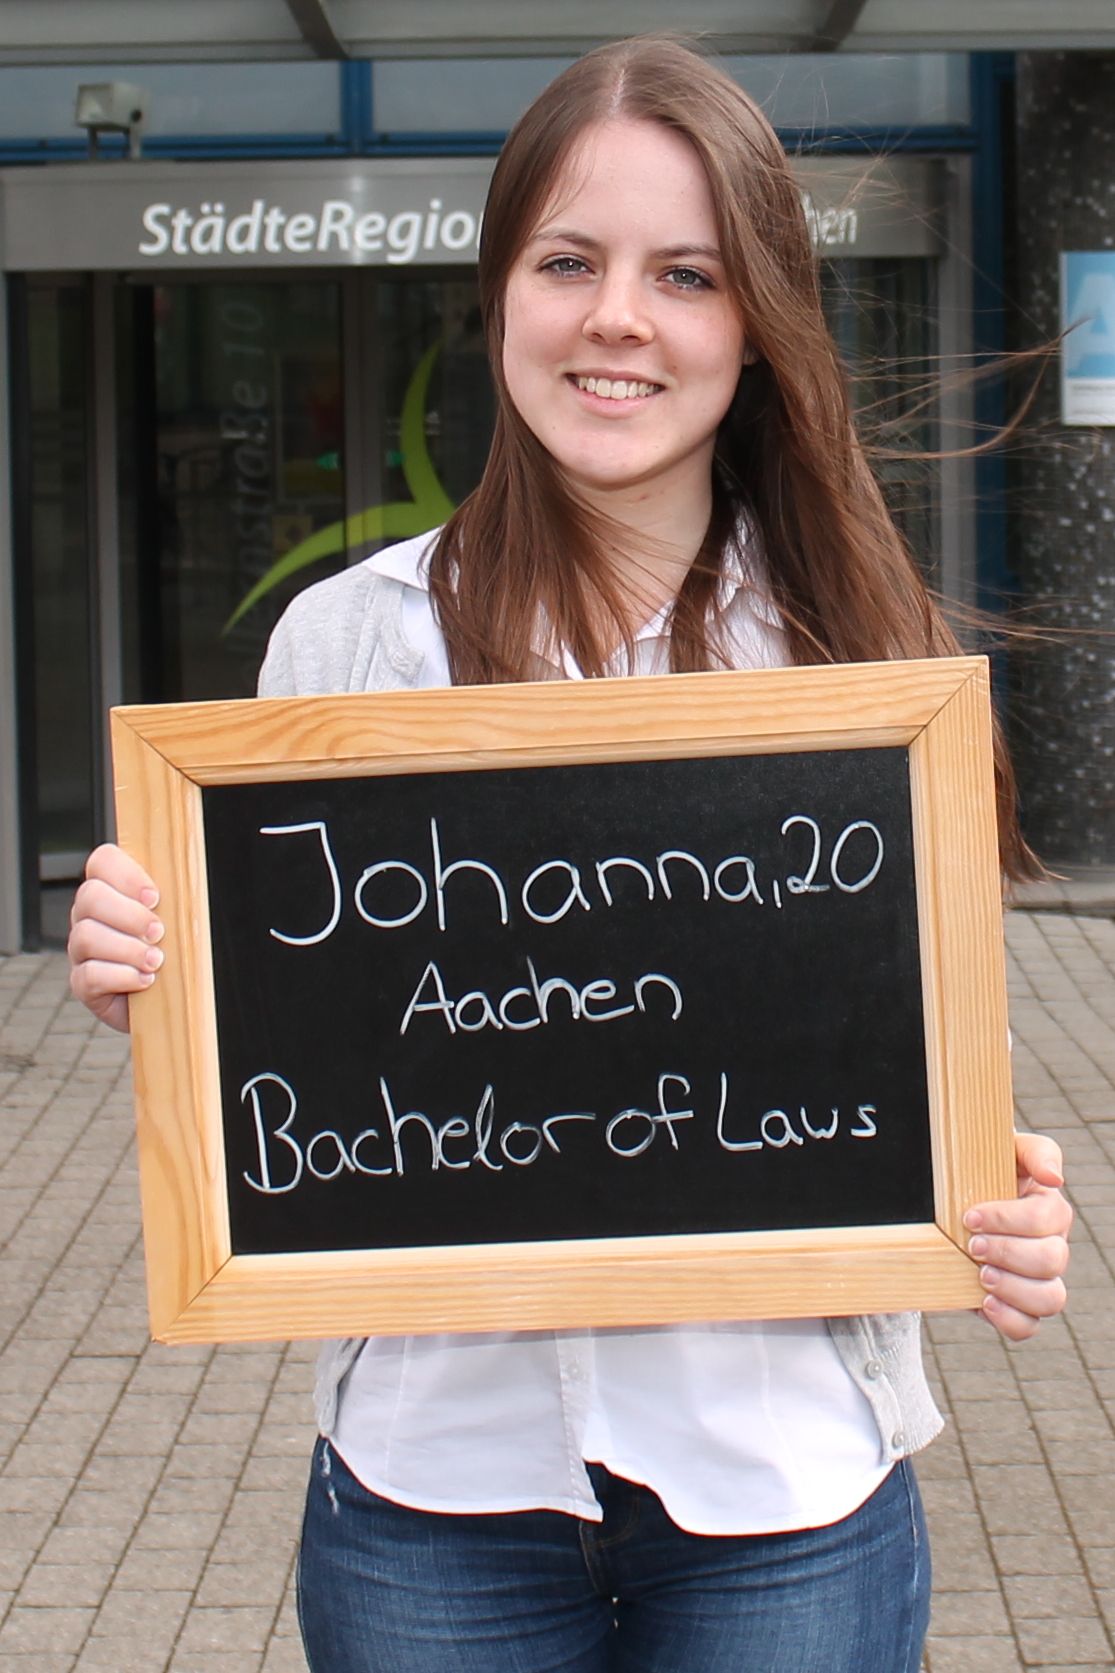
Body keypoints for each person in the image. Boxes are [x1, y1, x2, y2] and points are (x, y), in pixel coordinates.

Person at [68, 37, 1071, 1673]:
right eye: (569, 262)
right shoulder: (344, 645)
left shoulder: (848, 666)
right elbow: (265, 1035)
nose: (621, 317)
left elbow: (906, 1059)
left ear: (754, 328)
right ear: (498, 296)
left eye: (686, 273)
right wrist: (155, 968)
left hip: (786, 1498)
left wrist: (1003, 1200)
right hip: (432, 1500)